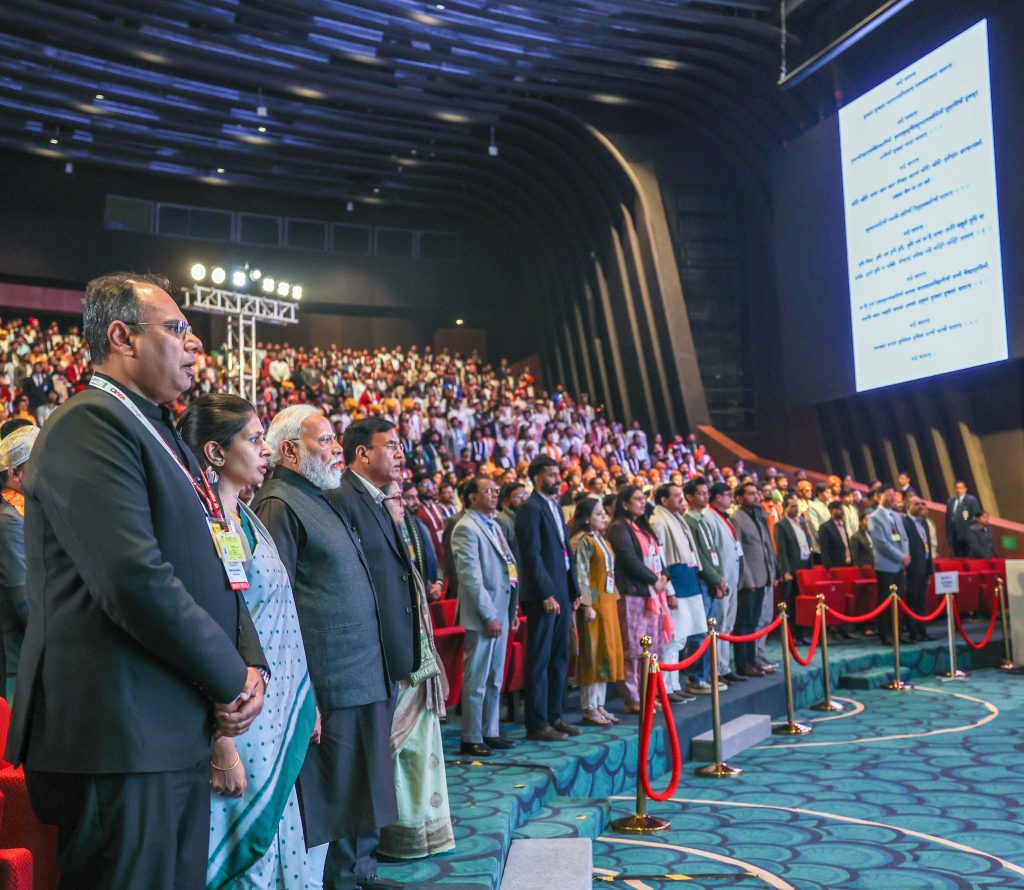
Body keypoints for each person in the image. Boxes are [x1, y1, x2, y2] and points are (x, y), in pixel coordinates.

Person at [8, 272, 268, 889]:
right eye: (176, 330)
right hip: (118, 737)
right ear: (121, 337)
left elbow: (210, 560)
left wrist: (245, 661)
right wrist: (231, 678)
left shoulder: (158, 430)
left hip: (162, 731)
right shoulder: (89, 424)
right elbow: (133, 579)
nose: (193, 344)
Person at [252, 405, 398, 890]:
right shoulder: (279, 503)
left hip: (357, 672)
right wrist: (301, 688)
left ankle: (357, 874)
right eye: (326, 441)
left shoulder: (318, 495)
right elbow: (277, 604)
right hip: (327, 681)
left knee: (356, 789)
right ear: (290, 449)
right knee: (328, 798)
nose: (337, 450)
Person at [178, 394, 319, 889]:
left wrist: (306, 697)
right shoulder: (201, 524)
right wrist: (222, 743)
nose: (266, 451)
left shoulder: (250, 517)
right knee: (242, 846)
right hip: (237, 722)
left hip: (274, 710)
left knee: (282, 836)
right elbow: (207, 632)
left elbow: (280, 615)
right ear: (216, 452)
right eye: (255, 440)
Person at [324, 415, 422, 890]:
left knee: (373, 765)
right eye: (391, 445)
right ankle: (345, 873)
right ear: (362, 454)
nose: (400, 453)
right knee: (355, 768)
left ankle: (363, 867)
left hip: (384, 655)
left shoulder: (380, 500)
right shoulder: (342, 498)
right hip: (359, 655)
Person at [378, 483, 455, 860]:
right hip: (401, 666)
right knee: (402, 754)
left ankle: (426, 831)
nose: (404, 505)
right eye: (395, 499)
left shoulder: (402, 535)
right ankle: (401, 836)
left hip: (420, 661)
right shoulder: (378, 544)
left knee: (424, 752)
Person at [450, 474, 520, 754]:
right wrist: (489, 614)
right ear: (471, 497)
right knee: (477, 678)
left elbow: (508, 567)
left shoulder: (493, 523)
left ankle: (490, 730)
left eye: (496, 490)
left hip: (501, 609)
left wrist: (510, 610)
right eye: (488, 491)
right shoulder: (466, 527)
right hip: (483, 613)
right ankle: (472, 736)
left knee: (494, 677)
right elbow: (471, 578)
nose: (494, 494)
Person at [515, 455, 582, 740]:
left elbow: (565, 553)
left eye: (558, 474)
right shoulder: (530, 508)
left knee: (559, 659)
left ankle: (555, 716)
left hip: (562, 593)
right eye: (552, 475)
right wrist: (547, 593)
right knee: (540, 660)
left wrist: (573, 589)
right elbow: (531, 556)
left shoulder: (554, 505)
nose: (558, 479)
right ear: (538, 477)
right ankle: (537, 722)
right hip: (545, 596)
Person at [607, 485, 672, 712]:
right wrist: (654, 580)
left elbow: (658, 555)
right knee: (633, 649)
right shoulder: (618, 528)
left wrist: (664, 576)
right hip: (633, 593)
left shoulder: (643, 527)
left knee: (651, 648)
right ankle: (633, 698)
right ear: (624, 504)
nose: (642, 503)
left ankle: (647, 692)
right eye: (637, 499)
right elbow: (627, 558)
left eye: (644, 499)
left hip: (652, 593)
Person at [569, 497, 624, 724]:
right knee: (592, 654)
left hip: (608, 602)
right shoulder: (583, 542)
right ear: (586, 518)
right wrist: (587, 604)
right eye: (599, 514)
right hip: (593, 605)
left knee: (605, 653)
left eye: (604, 514)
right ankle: (589, 707)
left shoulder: (601, 539)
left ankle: (600, 705)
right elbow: (581, 574)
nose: (604, 518)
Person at [650, 483, 707, 699]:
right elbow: (660, 560)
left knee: (681, 638)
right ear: (664, 500)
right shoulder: (658, 520)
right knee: (672, 638)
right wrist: (669, 591)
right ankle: (666, 687)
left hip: (687, 579)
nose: (681, 500)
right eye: (676, 496)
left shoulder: (675, 517)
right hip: (676, 582)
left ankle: (674, 685)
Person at [0, 425, 37, 698]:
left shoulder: (25, 508)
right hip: (19, 659)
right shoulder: (8, 520)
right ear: (13, 473)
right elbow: (22, 598)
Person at [730, 482, 777, 678]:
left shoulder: (759, 516)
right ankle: (743, 663)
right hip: (749, 579)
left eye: (756, 493)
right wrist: (747, 578)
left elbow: (766, 547)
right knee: (745, 623)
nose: (755, 496)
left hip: (763, 575)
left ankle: (753, 659)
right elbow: (739, 551)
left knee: (755, 620)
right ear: (739, 498)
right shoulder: (736, 518)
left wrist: (773, 572)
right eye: (750, 494)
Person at [704, 482, 743, 683]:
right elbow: (712, 553)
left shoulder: (724, 517)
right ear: (718, 497)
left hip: (732, 576)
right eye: (728, 495)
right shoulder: (708, 517)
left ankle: (725, 666)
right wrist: (718, 579)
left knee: (728, 624)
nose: (731, 499)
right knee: (718, 624)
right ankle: (717, 668)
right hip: (722, 579)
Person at [868, 486, 911, 646]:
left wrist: (905, 556)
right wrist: (901, 556)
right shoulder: (874, 517)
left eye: (894, 495)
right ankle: (885, 635)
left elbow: (904, 538)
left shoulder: (896, 516)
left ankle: (897, 633)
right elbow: (881, 544)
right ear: (880, 497)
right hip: (886, 566)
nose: (892, 498)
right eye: (888, 495)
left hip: (900, 565)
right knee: (885, 601)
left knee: (897, 601)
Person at [774, 492, 814, 645]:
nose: (796, 509)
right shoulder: (781, 525)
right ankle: (792, 635)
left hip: (805, 567)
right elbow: (781, 549)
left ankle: (802, 633)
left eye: (797, 506)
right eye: (792, 506)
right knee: (790, 603)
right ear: (785, 507)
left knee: (802, 604)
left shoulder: (802, 522)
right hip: (792, 569)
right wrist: (785, 571)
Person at [902, 496, 935, 642]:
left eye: (921, 503)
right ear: (908, 506)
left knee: (922, 601)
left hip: (924, 565)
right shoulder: (904, 523)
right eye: (916, 504)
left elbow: (926, 544)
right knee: (912, 601)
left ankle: (923, 631)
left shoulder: (924, 523)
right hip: (912, 568)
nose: (920, 506)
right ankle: (913, 633)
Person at [946, 481, 982, 557]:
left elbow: (976, 516)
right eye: (956, 488)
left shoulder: (971, 500)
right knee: (958, 557)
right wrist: (949, 536)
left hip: (967, 534)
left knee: (968, 556)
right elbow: (948, 519)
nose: (958, 490)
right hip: (955, 534)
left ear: (965, 489)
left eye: (960, 488)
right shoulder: (950, 501)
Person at [819, 500, 854, 569]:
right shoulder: (825, 527)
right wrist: (828, 566)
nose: (842, 512)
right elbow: (824, 549)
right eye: (840, 509)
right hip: (835, 565)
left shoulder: (843, 524)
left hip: (848, 562)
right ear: (832, 511)